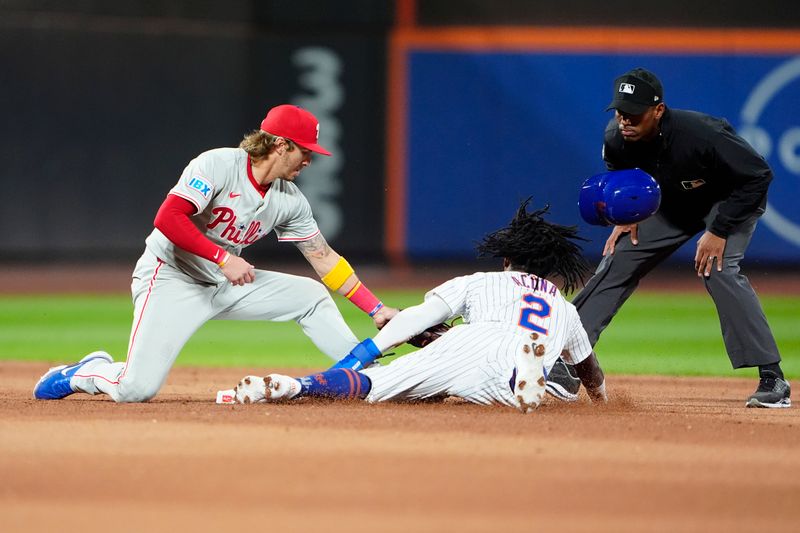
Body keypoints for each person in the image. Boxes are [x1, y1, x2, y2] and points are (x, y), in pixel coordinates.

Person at [33, 104, 397, 402]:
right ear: (281, 145)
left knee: (311, 297)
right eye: (305, 151)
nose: (309, 161)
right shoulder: (218, 165)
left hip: (225, 284)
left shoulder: (290, 200)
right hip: (172, 278)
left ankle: (367, 373)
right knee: (135, 389)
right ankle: (84, 371)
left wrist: (375, 308)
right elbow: (168, 217)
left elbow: (323, 258)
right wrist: (223, 258)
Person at [230, 199, 608, 411]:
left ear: (507, 258)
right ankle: (521, 379)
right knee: (543, 390)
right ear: (553, 270)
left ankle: (297, 386)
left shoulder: (479, 282)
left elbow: (415, 318)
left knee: (374, 384)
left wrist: (362, 352)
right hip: (517, 357)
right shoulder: (565, 308)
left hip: (465, 343)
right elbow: (590, 370)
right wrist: (602, 401)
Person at [563, 67, 790, 408]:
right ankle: (564, 360)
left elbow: (757, 176)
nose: (626, 121)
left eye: (635, 114)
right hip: (672, 205)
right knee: (619, 258)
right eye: (621, 113)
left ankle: (773, 378)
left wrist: (719, 229)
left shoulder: (701, 134)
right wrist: (626, 215)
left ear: (658, 110)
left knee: (718, 268)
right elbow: (620, 176)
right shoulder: (617, 138)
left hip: (728, 201)